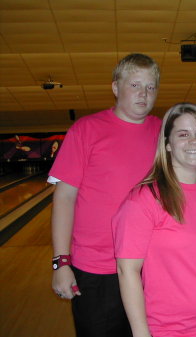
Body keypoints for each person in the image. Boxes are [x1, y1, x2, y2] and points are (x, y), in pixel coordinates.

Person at [49, 53, 161, 337]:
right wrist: (61, 262)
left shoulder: (163, 132)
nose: (143, 94)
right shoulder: (85, 130)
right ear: (115, 88)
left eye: (150, 87)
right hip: (97, 270)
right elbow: (64, 198)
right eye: (135, 85)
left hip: (151, 267)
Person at [113, 103, 196, 337]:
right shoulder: (145, 199)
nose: (194, 141)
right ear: (167, 144)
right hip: (169, 330)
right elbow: (127, 270)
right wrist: (141, 333)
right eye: (183, 134)